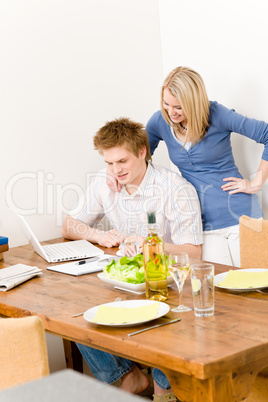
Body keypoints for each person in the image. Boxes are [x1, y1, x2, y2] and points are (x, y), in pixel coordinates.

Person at [62, 117, 203, 401]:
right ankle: (129, 377)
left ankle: (165, 387)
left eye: (122, 162)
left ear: (142, 151)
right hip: (125, 284)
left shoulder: (175, 189)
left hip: (168, 285)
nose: (116, 170)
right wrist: (98, 236)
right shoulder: (106, 184)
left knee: (176, 314)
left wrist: (153, 246)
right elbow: (68, 225)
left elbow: (194, 253)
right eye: (109, 163)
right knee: (73, 312)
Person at [146, 66, 268, 267]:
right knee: (218, 289)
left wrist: (256, 184)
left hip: (243, 217)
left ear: (194, 103)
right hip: (201, 223)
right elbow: (139, 157)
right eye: (166, 104)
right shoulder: (160, 121)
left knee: (255, 288)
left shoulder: (217, 114)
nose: (171, 112)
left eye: (178, 107)